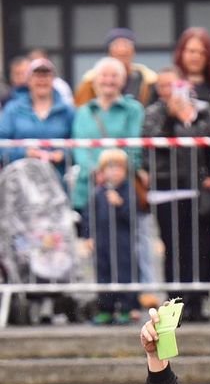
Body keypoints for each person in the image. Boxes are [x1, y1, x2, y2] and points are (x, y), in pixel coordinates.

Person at [142, 66, 210, 322]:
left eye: (172, 85)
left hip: (197, 189)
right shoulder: (155, 113)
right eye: (161, 86)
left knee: (200, 247)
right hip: (167, 189)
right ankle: (176, 303)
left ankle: (199, 301)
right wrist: (171, 118)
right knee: (174, 248)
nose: (167, 91)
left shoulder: (203, 110)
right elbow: (153, 142)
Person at [71, 57, 145, 244]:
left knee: (125, 247)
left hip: (122, 187)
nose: (109, 81)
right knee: (95, 249)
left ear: (122, 80)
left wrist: (114, 172)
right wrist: (96, 171)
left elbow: (133, 145)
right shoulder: (83, 112)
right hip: (89, 187)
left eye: (114, 76)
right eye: (104, 75)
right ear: (95, 80)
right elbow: (79, 148)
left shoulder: (133, 109)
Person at [0, 58, 74, 176]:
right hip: (21, 179)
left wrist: (63, 154)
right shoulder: (12, 109)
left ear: (53, 80)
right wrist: (24, 152)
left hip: (57, 180)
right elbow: (2, 143)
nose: (42, 80)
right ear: (28, 80)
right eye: (37, 76)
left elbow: (78, 143)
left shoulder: (67, 111)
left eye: (46, 75)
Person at [89, 149, 138, 323]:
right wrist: (88, 237)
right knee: (103, 273)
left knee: (124, 273)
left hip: (122, 241)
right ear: (102, 171)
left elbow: (132, 216)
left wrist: (120, 204)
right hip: (103, 241)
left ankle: (126, 307)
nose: (114, 172)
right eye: (109, 168)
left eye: (118, 168)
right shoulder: (98, 192)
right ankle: (105, 309)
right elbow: (90, 216)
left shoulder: (128, 191)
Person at [75, 28, 157, 107]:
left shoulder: (147, 80)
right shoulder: (91, 80)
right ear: (109, 52)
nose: (122, 50)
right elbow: (81, 107)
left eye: (126, 46)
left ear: (133, 52)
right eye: (116, 46)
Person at [174, 27, 210, 111]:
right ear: (181, 53)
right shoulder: (169, 84)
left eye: (202, 53)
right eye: (192, 51)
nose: (196, 57)